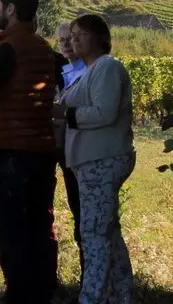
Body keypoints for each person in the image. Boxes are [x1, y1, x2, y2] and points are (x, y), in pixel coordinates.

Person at [0, 0, 66, 304]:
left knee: (11, 226)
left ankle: (19, 296)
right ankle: (44, 291)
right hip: (41, 148)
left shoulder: (7, 50)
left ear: (11, 10)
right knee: (40, 222)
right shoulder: (44, 48)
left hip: (10, 149)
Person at [58, 15, 135, 304]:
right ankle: (120, 293)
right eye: (73, 34)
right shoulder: (90, 70)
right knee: (107, 232)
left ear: (100, 37)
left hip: (102, 158)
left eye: (82, 34)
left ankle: (92, 297)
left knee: (93, 233)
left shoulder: (107, 67)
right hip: (91, 161)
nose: (74, 39)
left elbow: (105, 112)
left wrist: (65, 115)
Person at [54, 22, 86, 285]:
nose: (65, 44)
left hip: (84, 151)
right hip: (66, 149)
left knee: (85, 214)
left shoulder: (89, 69)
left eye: (69, 39)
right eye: (60, 40)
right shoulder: (61, 68)